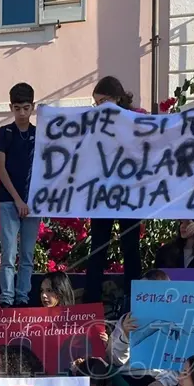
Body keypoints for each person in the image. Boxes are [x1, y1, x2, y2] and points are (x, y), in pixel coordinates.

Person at [82, 75, 146, 305]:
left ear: (118, 98)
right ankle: (91, 300)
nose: (100, 106)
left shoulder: (138, 117)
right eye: (96, 102)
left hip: (130, 194)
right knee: (98, 245)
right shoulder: (93, 123)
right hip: (102, 194)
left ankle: (133, 300)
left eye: (104, 101)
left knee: (130, 246)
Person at [0, 82, 40, 308]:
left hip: (33, 203)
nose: (22, 113)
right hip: (9, 201)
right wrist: (18, 200)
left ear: (33, 107)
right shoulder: (5, 133)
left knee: (28, 254)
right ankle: (7, 298)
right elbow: (1, 168)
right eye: (17, 108)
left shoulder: (38, 134)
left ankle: (23, 297)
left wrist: (30, 201)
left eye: (26, 108)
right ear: (10, 108)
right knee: (9, 253)